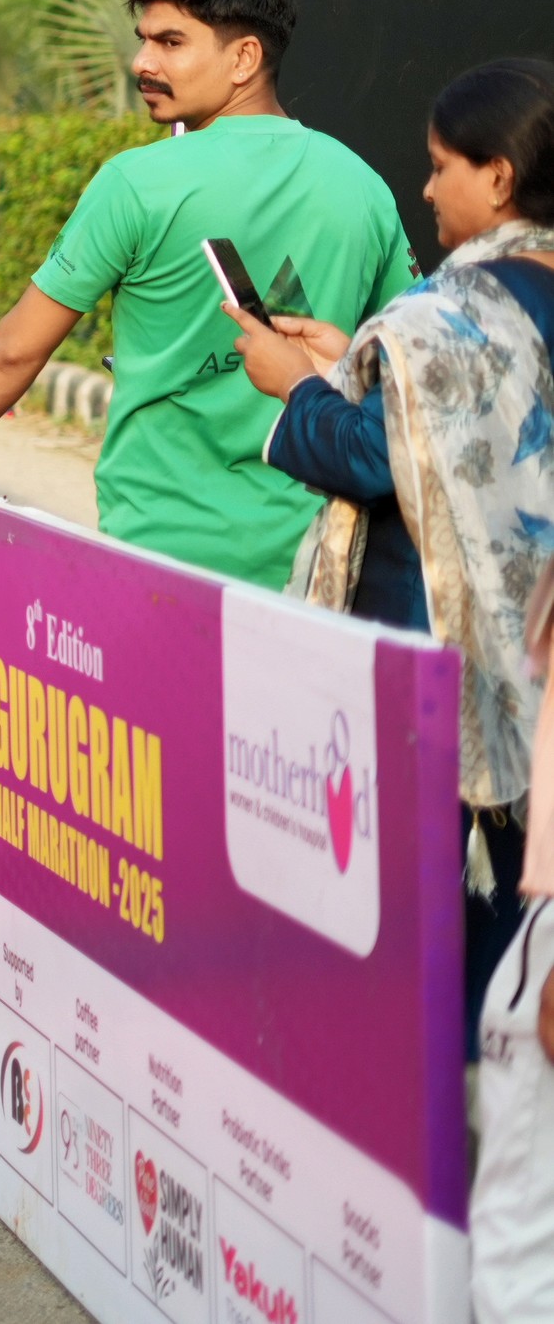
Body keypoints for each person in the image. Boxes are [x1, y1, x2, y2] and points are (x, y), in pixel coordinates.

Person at [0, 0, 410, 586]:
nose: (141, 62)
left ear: (244, 57)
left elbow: (16, 350)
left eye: (170, 42)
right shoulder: (362, 186)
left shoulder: (135, 183)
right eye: (143, 40)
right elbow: (404, 367)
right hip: (317, 560)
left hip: (161, 556)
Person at [230, 59, 554, 1052]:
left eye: (440, 164)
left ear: (497, 176)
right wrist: (353, 365)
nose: (426, 187)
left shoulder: (444, 314)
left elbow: (376, 459)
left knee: (444, 931)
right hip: (537, 665)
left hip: (441, 663)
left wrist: (296, 385)